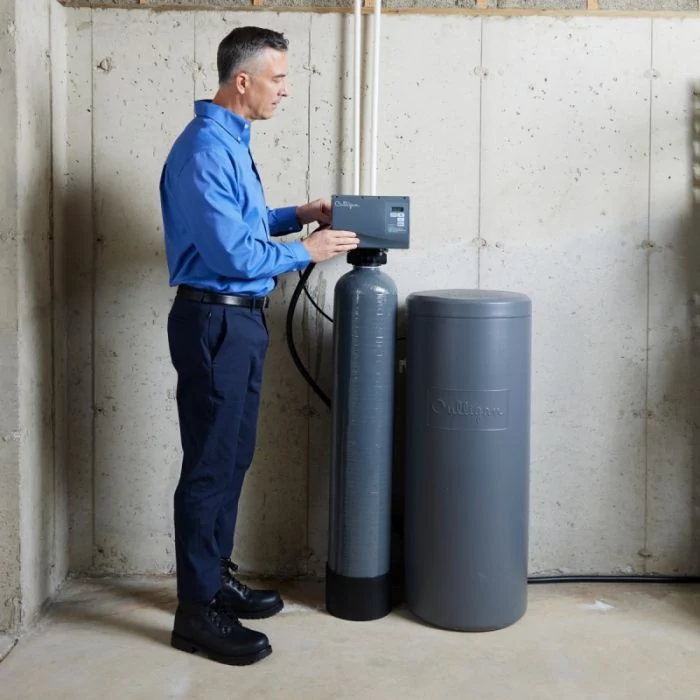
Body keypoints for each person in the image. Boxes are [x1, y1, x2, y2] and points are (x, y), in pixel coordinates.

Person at [159, 26, 358, 666]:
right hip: (214, 322)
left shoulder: (228, 143)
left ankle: (213, 578)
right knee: (211, 465)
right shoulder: (204, 150)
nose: (285, 91)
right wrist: (309, 250)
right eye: (278, 78)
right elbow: (230, 252)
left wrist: (300, 213)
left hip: (238, 321)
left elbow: (243, 224)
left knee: (233, 455)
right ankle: (196, 612)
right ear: (242, 81)